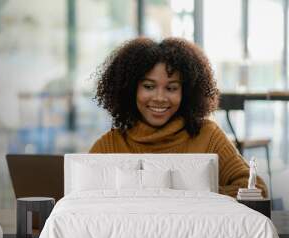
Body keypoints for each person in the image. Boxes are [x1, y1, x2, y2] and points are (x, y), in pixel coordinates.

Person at [88, 37, 267, 198]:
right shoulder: (109, 146)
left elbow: (257, 190)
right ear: (130, 89)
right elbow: (81, 200)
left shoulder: (208, 137)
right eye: (149, 86)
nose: (159, 97)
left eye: (171, 88)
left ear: (186, 92)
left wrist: (199, 196)